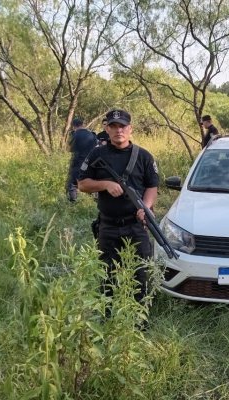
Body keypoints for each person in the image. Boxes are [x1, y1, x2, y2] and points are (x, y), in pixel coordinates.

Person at [77, 109, 159, 312]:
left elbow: (152, 186)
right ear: (107, 129)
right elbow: (82, 184)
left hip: (135, 225)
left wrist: (146, 208)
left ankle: (139, 318)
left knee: (140, 273)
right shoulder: (97, 154)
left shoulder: (144, 156)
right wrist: (104, 184)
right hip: (108, 226)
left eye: (122, 126)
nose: (118, 130)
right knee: (107, 274)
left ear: (130, 129)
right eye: (113, 126)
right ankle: (108, 317)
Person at [66, 117, 97, 202]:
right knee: (91, 182)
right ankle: (96, 201)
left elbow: (70, 149)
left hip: (78, 162)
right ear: (83, 124)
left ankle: (72, 202)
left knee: (72, 184)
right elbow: (96, 148)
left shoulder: (74, 135)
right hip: (91, 163)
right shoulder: (92, 134)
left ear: (73, 126)